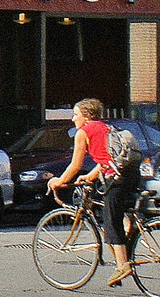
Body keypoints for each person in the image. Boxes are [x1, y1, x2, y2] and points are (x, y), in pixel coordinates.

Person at [46, 99, 136, 287]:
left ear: (86, 117)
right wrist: (89, 176)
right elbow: (106, 160)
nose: (73, 119)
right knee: (118, 216)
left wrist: (59, 181)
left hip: (116, 179)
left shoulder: (83, 133)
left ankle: (122, 265)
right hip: (131, 174)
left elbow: (75, 165)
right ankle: (130, 235)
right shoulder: (105, 127)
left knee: (111, 222)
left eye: (75, 114)